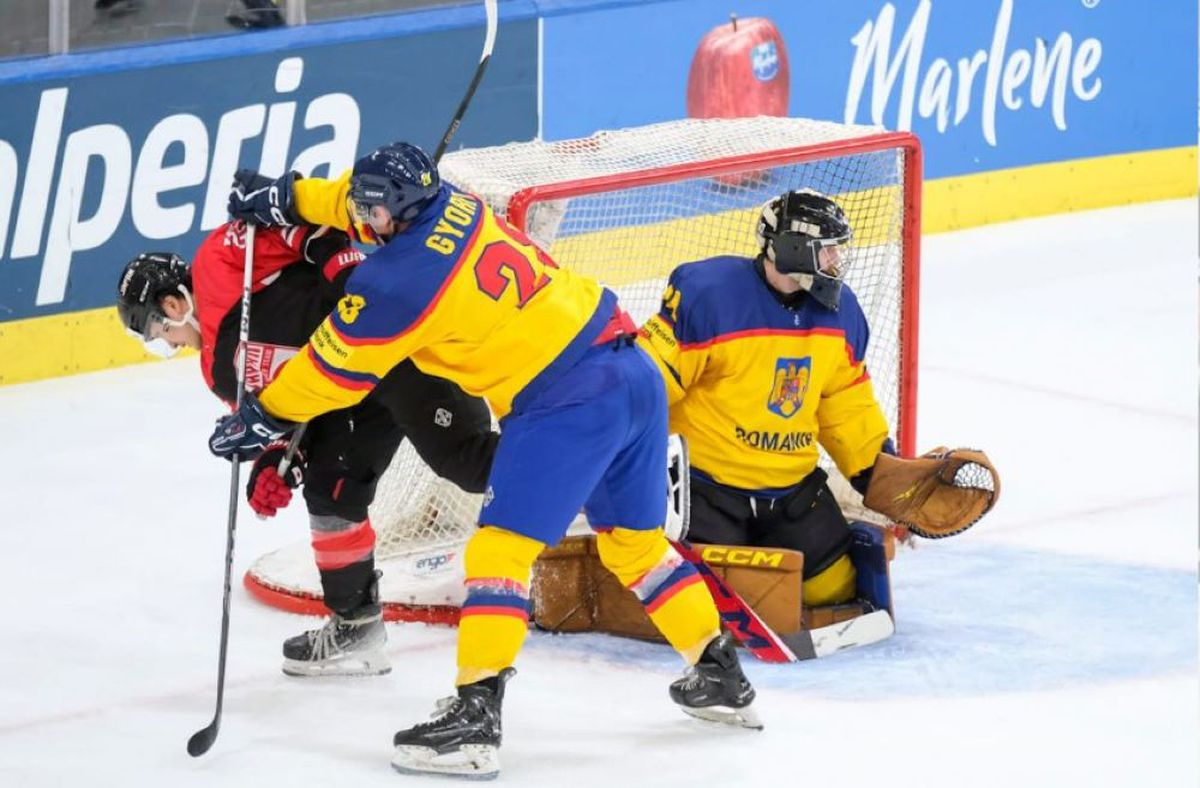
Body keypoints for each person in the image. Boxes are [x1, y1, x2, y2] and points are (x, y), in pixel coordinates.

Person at [212, 142, 761, 778]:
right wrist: (285, 197)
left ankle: (475, 716)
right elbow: (351, 201)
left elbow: (334, 372)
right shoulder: (455, 203)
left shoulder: (396, 284)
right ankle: (719, 672)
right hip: (631, 369)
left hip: (565, 399)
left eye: (374, 211)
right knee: (635, 546)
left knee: (498, 553)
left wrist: (264, 414)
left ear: (399, 210)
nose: (362, 218)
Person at [116, 216, 498, 678]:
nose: (171, 345)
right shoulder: (219, 372)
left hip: (390, 340)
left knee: (467, 461)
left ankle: (581, 464)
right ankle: (357, 626)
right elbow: (286, 416)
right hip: (347, 391)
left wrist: (346, 271)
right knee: (330, 490)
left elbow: (308, 226)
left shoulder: (220, 258)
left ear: (174, 305)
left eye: (162, 336)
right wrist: (279, 459)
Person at [637, 189, 893, 609]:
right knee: (715, 604)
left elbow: (845, 398)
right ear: (793, 248)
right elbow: (647, 383)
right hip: (706, 490)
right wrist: (606, 446)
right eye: (826, 250)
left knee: (833, 593)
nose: (836, 261)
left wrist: (877, 469)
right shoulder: (710, 296)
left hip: (793, 490)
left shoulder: (841, 311)